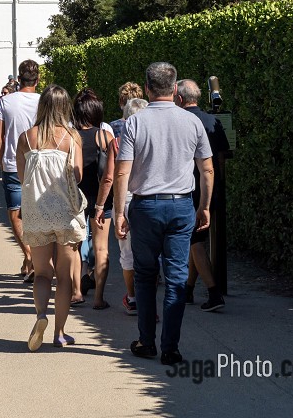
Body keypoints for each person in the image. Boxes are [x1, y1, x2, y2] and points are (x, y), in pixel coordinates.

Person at [113, 62, 213, 365]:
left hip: (145, 206)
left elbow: (121, 172)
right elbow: (206, 168)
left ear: (147, 88)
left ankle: (146, 341)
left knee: (144, 276)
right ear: (174, 89)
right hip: (181, 204)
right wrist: (204, 205)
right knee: (177, 277)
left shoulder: (134, 123)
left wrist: (119, 212)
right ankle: (171, 347)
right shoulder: (192, 122)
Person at [15, 84, 87, 351]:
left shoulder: (27, 137)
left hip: (36, 213)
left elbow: (22, 177)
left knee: (42, 273)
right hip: (66, 214)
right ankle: (59, 332)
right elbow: (78, 176)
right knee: (65, 277)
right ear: (65, 106)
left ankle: (41, 316)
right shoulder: (72, 138)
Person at [176, 79, 231, 312]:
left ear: (179, 99)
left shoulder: (180, 123)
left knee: (195, 242)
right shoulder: (213, 121)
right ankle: (188, 289)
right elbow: (220, 158)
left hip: (190, 189)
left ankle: (213, 292)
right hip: (212, 187)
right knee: (195, 241)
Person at [0, 59, 41, 281]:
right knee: (39, 212)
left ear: (18, 78)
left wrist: (2, 161)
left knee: (16, 213)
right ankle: (33, 258)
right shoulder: (44, 102)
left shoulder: (5, 101)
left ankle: (29, 256)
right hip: (41, 163)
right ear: (38, 79)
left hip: (13, 163)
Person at [72, 88, 116, 310]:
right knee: (101, 248)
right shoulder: (105, 137)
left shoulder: (71, 138)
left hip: (76, 197)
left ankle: (77, 292)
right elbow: (111, 174)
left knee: (74, 246)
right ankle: (99, 298)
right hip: (102, 198)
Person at [117, 97, 148, 313]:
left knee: (127, 253)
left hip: (128, 198)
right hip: (148, 197)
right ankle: (148, 301)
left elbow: (118, 174)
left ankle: (133, 297)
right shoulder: (155, 138)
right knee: (149, 254)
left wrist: (117, 211)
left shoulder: (120, 141)